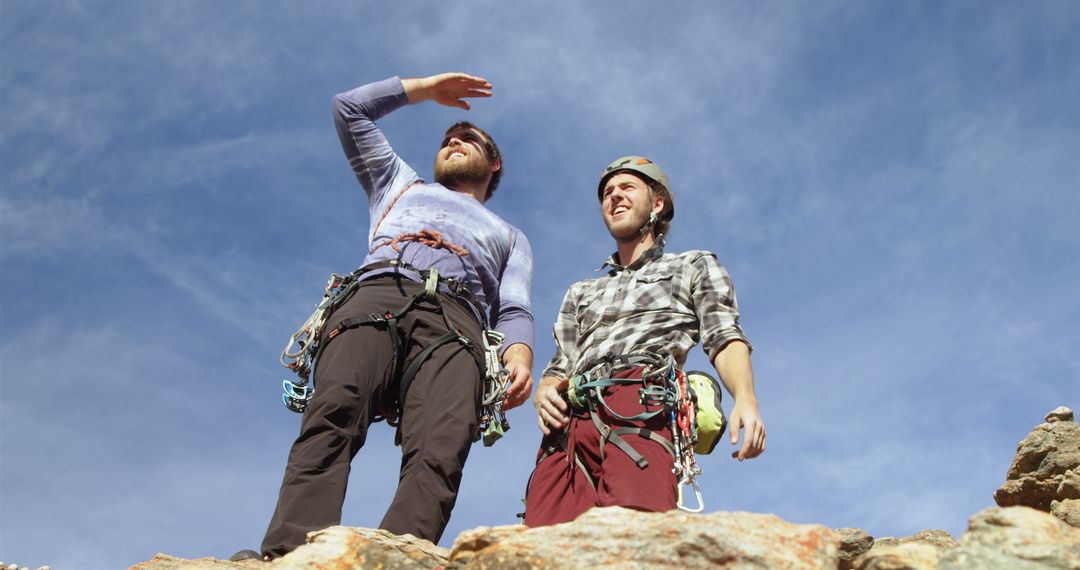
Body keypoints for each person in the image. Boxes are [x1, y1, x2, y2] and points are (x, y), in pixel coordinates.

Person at [243, 73, 535, 560]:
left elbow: (514, 304)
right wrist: (422, 89)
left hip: (459, 323)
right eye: (447, 138)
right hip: (378, 292)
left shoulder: (510, 235)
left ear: (494, 162)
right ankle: (290, 554)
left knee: (442, 447)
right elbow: (348, 109)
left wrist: (518, 352)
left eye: (468, 138)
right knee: (333, 411)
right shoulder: (396, 184)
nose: (454, 140)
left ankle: (396, 558)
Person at [523, 156, 765, 526]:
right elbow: (561, 362)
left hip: (641, 405)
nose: (614, 196)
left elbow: (723, 335)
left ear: (657, 203)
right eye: (607, 192)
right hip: (567, 427)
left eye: (627, 188)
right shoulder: (581, 292)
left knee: (634, 538)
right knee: (539, 547)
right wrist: (545, 389)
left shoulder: (693, 265)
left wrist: (745, 399)